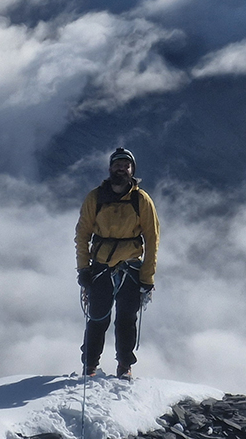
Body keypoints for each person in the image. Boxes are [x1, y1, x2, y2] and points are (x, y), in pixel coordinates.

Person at [75, 146, 159, 378]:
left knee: (125, 320)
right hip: (102, 267)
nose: (121, 169)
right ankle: (90, 365)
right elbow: (82, 235)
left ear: (132, 170)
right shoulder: (95, 198)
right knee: (98, 318)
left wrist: (147, 276)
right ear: (111, 168)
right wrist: (83, 268)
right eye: (118, 165)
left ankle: (123, 365)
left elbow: (152, 238)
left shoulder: (141, 200)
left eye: (126, 165)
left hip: (128, 267)